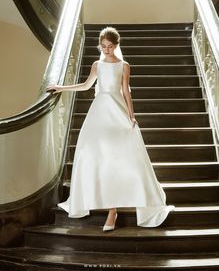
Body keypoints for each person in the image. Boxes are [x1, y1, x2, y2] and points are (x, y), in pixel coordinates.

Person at [47, 27, 174, 232]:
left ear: (116, 45)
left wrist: (131, 115)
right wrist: (61, 88)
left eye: (111, 46)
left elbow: (126, 91)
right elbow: (87, 86)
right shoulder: (97, 65)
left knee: (119, 158)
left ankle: (113, 211)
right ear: (100, 45)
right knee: (96, 157)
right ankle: (109, 207)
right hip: (99, 112)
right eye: (104, 46)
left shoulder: (124, 66)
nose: (107, 50)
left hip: (117, 111)